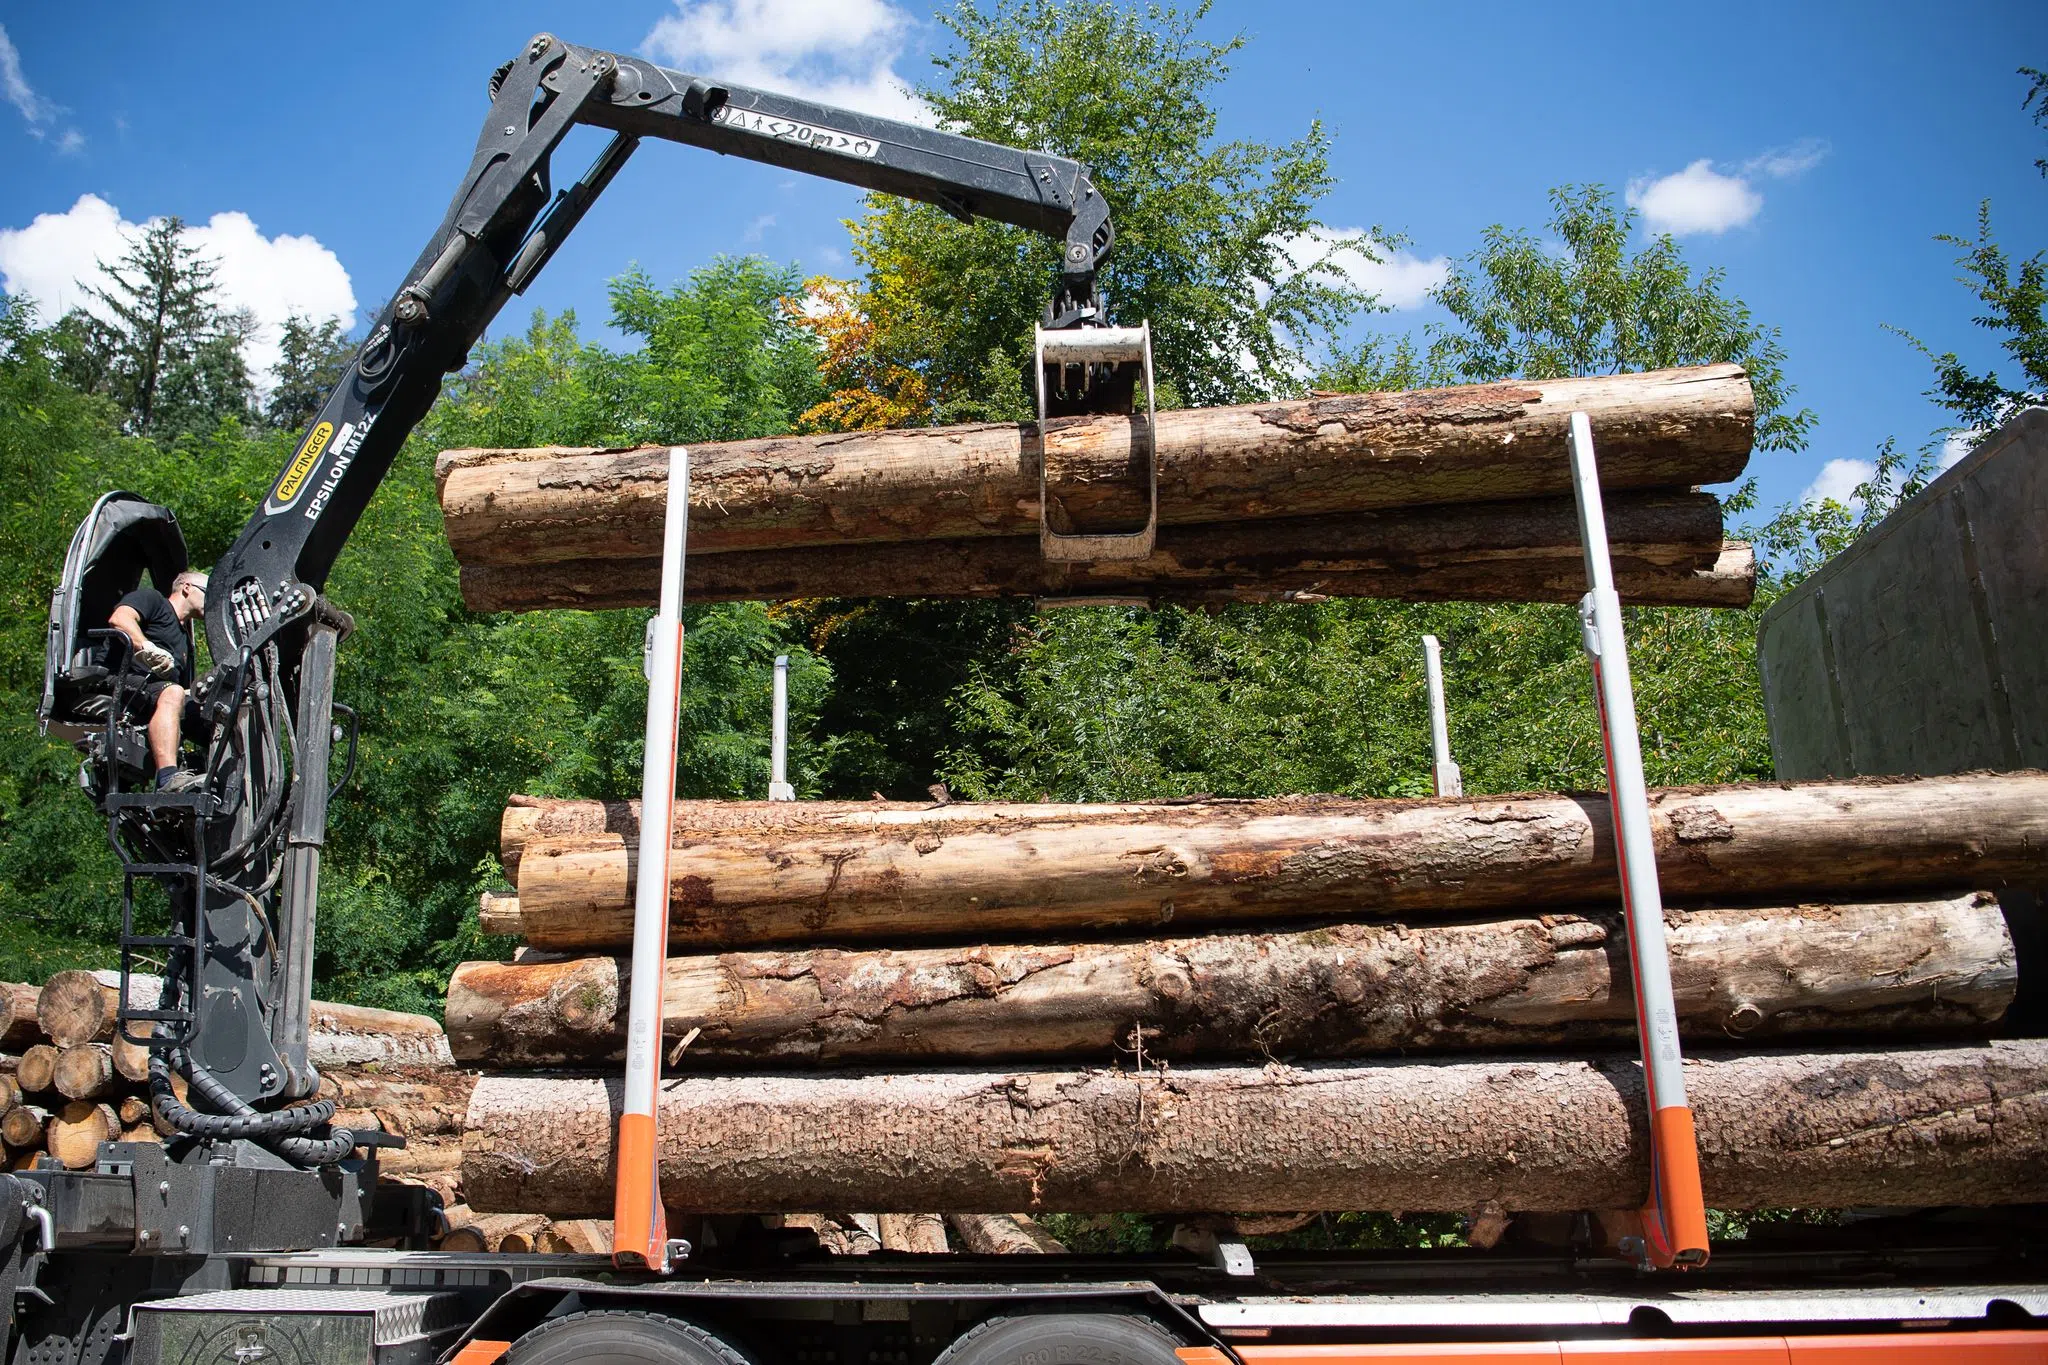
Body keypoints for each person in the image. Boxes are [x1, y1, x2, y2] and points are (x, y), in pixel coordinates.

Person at [105, 569, 208, 792]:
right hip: (124, 681)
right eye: (207, 593)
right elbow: (120, 618)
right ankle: (168, 778)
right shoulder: (153, 600)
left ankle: (209, 776)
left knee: (216, 716)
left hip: (159, 692)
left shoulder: (185, 640)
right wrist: (146, 646)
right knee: (172, 693)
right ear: (187, 588)